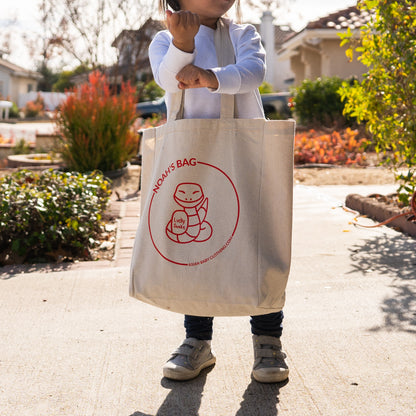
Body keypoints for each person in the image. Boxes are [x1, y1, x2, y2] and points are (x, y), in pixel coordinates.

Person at [149, 0, 289, 383]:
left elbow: (253, 72)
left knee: (257, 244)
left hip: (246, 158)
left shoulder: (243, 34)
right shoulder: (164, 39)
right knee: (198, 251)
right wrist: (182, 43)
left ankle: (268, 340)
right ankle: (197, 341)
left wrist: (209, 78)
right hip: (192, 163)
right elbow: (167, 79)